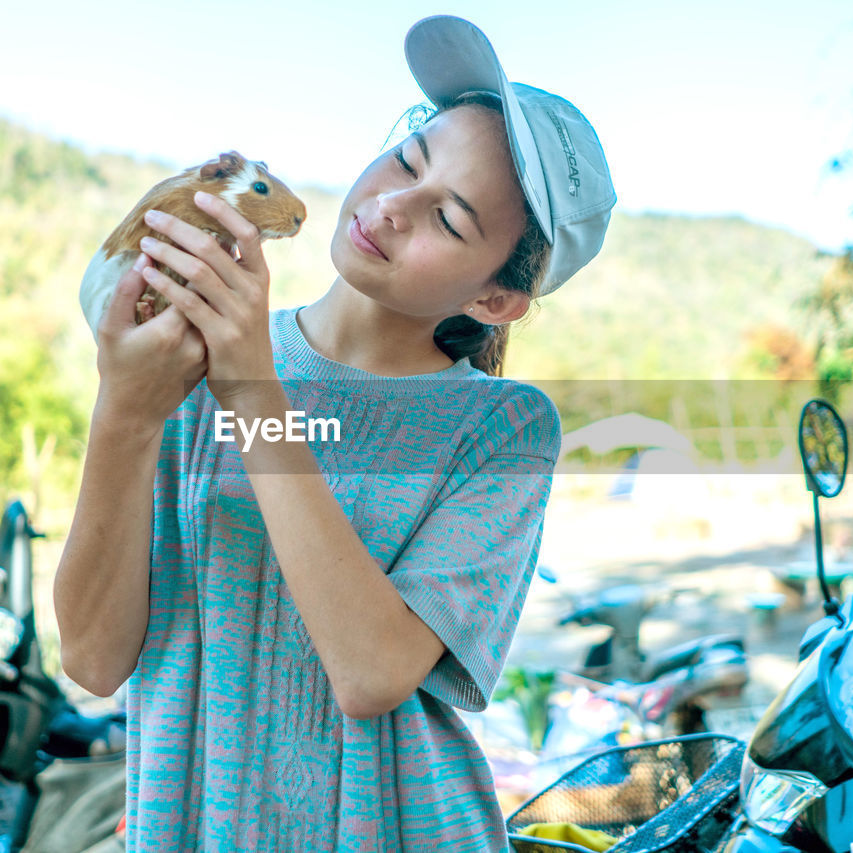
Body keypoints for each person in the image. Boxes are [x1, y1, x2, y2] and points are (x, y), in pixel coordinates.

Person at [53, 14, 615, 851]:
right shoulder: (184, 353)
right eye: (409, 157)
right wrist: (125, 408)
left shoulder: (500, 429)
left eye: (450, 221)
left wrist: (248, 384)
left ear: (493, 301)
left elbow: (371, 670)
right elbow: (94, 659)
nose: (390, 207)